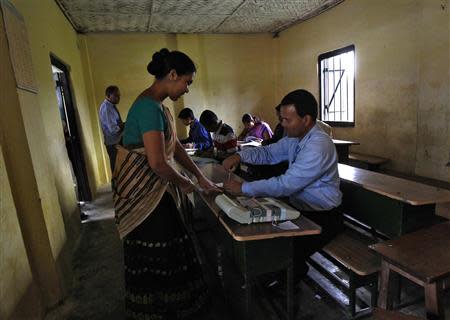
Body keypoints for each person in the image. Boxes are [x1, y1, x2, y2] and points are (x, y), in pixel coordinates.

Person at [114, 48, 220, 320]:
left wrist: (200, 176)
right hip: (146, 195)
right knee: (161, 250)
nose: (186, 89)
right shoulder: (149, 108)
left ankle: (173, 305)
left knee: (173, 245)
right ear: (172, 75)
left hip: (157, 190)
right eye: (186, 81)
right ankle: (164, 309)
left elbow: (175, 150)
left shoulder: (158, 106)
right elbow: (158, 163)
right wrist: (186, 184)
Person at [222, 89, 342, 282]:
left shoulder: (319, 145)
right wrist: (240, 155)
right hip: (300, 209)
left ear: (306, 119)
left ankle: (290, 284)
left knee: (284, 250)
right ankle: (286, 274)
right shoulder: (295, 137)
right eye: (282, 119)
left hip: (323, 216)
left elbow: (286, 184)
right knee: (268, 237)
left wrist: (243, 188)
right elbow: (269, 153)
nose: (283, 125)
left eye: (287, 120)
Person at [99, 85, 124, 172]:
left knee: (120, 167)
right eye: (116, 96)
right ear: (108, 96)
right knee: (116, 168)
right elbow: (113, 129)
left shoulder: (111, 106)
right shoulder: (106, 108)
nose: (118, 97)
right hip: (113, 143)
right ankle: (116, 185)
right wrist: (124, 125)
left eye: (119, 95)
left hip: (116, 141)